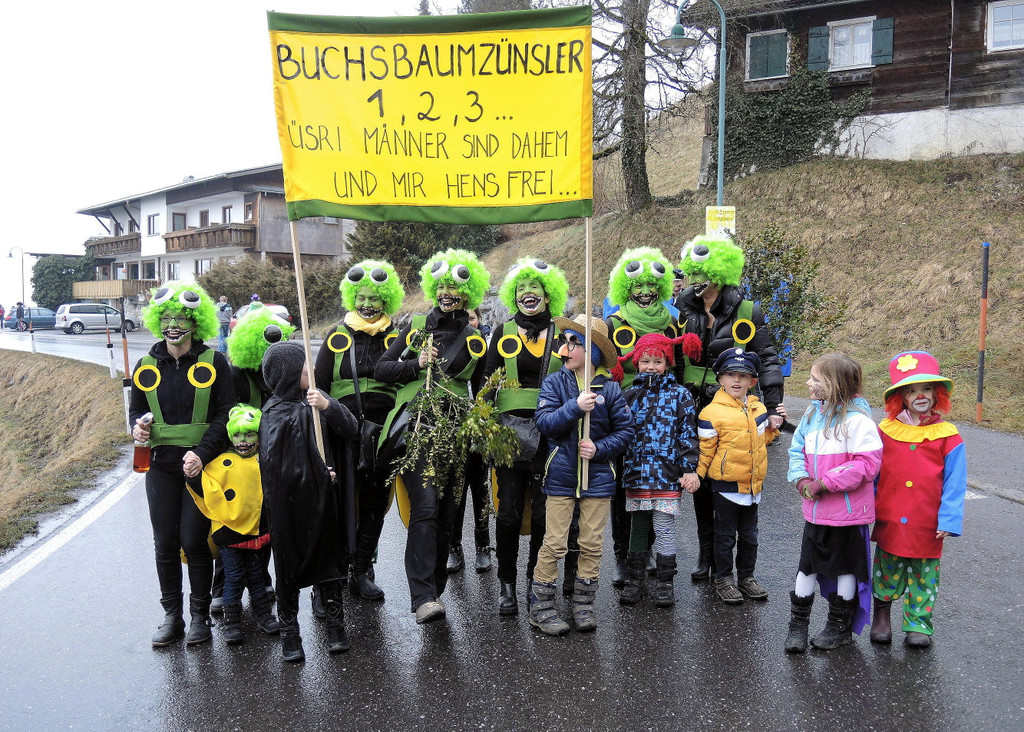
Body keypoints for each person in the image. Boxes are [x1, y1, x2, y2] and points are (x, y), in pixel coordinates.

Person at [375, 249, 489, 624]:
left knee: (447, 513)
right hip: (418, 428)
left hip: (455, 432)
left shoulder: (476, 340)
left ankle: (435, 589)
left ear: (467, 293)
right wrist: (416, 363)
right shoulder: (417, 326)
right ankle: (422, 595)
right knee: (425, 507)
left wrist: (482, 425)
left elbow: (482, 392)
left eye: (453, 288)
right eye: (440, 287)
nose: (446, 293)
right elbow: (382, 369)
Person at [128, 281, 235, 647]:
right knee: (165, 542)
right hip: (160, 466)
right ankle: (172, 616)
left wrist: (201, 454)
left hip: (201, 466)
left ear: (195, 322)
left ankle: (200, 617)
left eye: (181, 319)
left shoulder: (214, 362)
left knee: (194, 541)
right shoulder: (145, 365)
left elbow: (226, 414)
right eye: (167, 319)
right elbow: (135, 412)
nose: (173, 326)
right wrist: (137, 428)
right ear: (157, 321)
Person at [675, 234, 785, 583]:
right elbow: (674, 357)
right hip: (692, 405)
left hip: (734, 405)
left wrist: (773, 404)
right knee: (699, 475)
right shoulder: (683, 309)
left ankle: (733, 563)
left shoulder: (747, 311)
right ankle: (706, 553)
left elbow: (767, 358)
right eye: (691, 272)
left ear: (719, 273)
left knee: (727, 476)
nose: (694, 279)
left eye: (702, 273)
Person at [530, 314, 634, 636]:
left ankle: (583, 604)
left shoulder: (610, 390)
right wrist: (574, 407)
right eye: (565, 341)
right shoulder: (554, 383)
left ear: (593, 352)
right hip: (561, 477)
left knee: (591, 543)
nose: (565, 348)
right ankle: (541, 607)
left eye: (574, 342)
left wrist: (599, 449)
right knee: (554, 543)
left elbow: (626, 432)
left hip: (598, 479)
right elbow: (545, 423)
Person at [480, 258, 569, 615]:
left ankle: (535, 580)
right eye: (521, 289)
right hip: (510, 434)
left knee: (545, 516)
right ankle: (507, 585)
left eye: (535, 289)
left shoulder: (563, 333)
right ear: (513, 296)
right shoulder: (502, 332)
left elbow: (577, 375)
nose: (528, 294)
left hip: (552, 434)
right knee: (508, 514)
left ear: (548, 296)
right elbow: (488, 380)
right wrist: (483, 421)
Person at [260, 340, 358, 661]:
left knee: (328, 562)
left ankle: (335, 626)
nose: (312, 369)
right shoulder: (273, 413)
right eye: (305, 366)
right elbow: (277, 468)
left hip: (323, 501)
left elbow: (350, 428)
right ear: (288, 372)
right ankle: (290, 633)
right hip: (289, 507)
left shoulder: (316, 400)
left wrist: (328, 406)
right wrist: (317, 473)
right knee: (288, 568)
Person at [313, 259, 404, 604]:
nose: (367, 305)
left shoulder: (398, 337)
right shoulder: (336, 336)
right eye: (361, 298)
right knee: (337, 504)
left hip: (384, 433)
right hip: (342, 432)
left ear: (386, 300)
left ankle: (361, 569)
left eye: (374, 299)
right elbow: (319, 388)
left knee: (374, 502)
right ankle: (327, 578)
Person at [784, 353, 882, 653]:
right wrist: (801, 479)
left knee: (845, 570)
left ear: (835, 384)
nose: (808, 383)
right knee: (807, 568)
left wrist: (825, 483)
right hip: (816, 513)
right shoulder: (811, 416)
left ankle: (839, 627)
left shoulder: (859, 421)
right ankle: (798, 626)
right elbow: (796, 451)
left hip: (847, 515)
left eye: (815, 379)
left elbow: (866, 465)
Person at [871, 351, 966, 649]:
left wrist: (949, 518)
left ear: (937, 394)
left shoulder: (948, 435)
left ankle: (918, 623)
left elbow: (955, 482)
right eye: (911, 390)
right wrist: (866, 510)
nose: (919, 396)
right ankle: (881, 617)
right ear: (900, 397)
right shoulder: (885, 430)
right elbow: (873, 474)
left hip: (927, 520)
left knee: (925, 575)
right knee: (887, 568)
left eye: (926, 389)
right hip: (890, 517)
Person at [207, 305, 295, 614]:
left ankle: (262, 580)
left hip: (271, 457)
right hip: (238, 457)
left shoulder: (281, 376)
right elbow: (224, 416)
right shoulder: (237, 376)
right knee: (232, 520)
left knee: (265, 520)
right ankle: (222, 586)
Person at [604, 246, 682, 586]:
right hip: (624, 416)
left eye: (652, 285)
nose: (646, 291)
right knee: (624, 486)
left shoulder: (673, 322)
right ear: (627, 287)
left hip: (661, 419)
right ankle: (623, 556)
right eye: (638, 285)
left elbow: (681, 370)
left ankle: (647, 550)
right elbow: (604, 370)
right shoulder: (613, 323)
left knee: (655, 485)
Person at [611, 333, 700, 608]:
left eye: (658, 361)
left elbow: (687, 433)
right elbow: (619, 432)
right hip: (637, 471)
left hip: (667, 472)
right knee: (638, 526)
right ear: (637, 363)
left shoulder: (680, 395)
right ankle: (635, 579)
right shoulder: (629, 395)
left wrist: (688, 468)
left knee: (664, 526)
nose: (651, 366)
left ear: (667, 364)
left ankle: (665, 581)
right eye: (646, 361)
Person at [185, 405, 280, 644]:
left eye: (249, 434)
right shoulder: (220, 463)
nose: (243, 441)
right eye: (237, 435)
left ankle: (265, 616)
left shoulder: (266, 460)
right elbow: (205, 487)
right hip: (229, 534)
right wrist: (192, 474)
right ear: (230, 436)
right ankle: (232, 624)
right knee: (234, 577)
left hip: (258, 531)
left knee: (257, 576)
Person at [697, 349, 782, 606]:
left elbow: (761, 441)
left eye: (743, 376)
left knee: (749, 537)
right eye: (731, 375)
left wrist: (774, 428)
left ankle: (747, 577)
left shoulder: (758, 408)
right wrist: (697, 475)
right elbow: (705, 450)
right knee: (724, 537)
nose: (737, 380)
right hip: (726, 487)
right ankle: (723, 578)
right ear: (720, 379)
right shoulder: (711, 413)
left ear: (752, 381)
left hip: (753, 486)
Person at [448, 307, 494, 576]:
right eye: (463, 317)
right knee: (456, 490)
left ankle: (483, 547)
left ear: (479, 320)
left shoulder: (484, 347)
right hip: (452, 429)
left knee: (480, 487)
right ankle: (454, 547)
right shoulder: (447, 345)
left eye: (472, 317)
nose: (468, 322)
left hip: (479, 429)